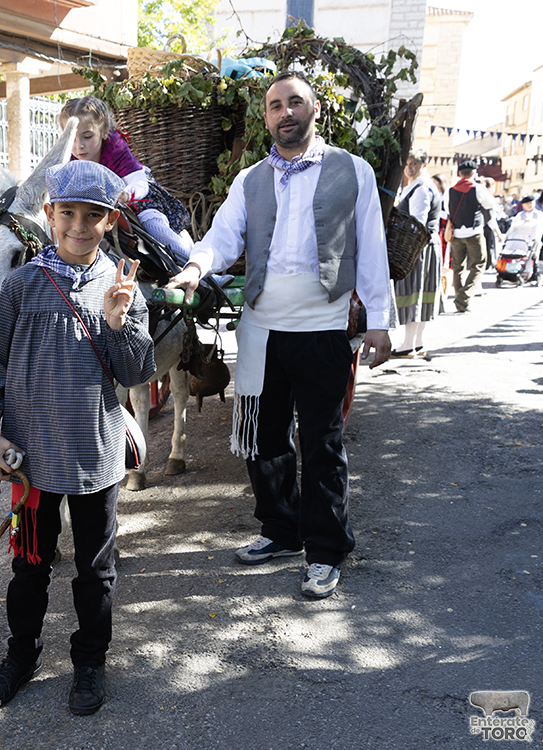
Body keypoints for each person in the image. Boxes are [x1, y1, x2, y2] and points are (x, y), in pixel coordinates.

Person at [168, 71, 393, 599]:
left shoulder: (351, 170)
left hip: (322, 328)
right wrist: (195, 269)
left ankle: (326, 549)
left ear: (315, 111)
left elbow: (372, 247)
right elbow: (221, 238)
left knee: (321, 444)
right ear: (266, 117)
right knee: (263, 440)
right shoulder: (250, 180)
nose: (285, 112)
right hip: (263, 327)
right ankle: (281, 529)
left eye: (295, 103)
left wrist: (380, 321)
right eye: (275, 106)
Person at [0, 159, 156, 715]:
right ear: (48, 215)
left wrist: (120, 324)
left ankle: (90, 663)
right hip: (31, 458)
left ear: (110, 220)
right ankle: (20, 656)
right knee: (30, 565)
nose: (79, 225)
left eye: (93, 215)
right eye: (67, 212)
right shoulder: (23, 286)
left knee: (96, 569)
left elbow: (135, 372)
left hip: (95, 454)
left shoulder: (122, 287)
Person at [59, 96, 192, 263]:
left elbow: (139, 181)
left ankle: (201, 270)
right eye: (72, 138)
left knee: (153, 225)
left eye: (87, 136)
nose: (79, 146)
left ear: (104, 130)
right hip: (98, 209)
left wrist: (126, 194)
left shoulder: (114, 147)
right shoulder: (67, 159)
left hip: (136, 201)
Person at [390, 148, 441, 358]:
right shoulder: (419, 185)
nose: (410, 168)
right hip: (428, 244)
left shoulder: (421, 188)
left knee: (415, 292)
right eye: (408, 163)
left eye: (415, 164)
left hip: (419, 245)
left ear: (424, 165)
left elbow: (418, 221)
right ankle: (418, 343)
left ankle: (408, 345)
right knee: (422, 291)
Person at [447, 161, 502, 313]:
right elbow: (490, 204)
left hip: (456, 234)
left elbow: (447, 209)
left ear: (460, 173)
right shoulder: (478, 188)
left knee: (458, 268)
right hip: (474, 232)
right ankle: (463, 298)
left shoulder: (450, 190)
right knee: (478, 265)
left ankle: (460, 299)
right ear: (473, 173)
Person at [505, 196, 543, 282]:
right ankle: (514, 274)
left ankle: (533, 275)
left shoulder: (539, 214)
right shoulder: (519, 215)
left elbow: (539, 228)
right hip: (520, 240)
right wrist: (506, 237)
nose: (530, 205)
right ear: (523, 205)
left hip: (533, 239)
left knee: (533, 257)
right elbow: (513, 228)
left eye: (531, 203)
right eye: (527, 204)